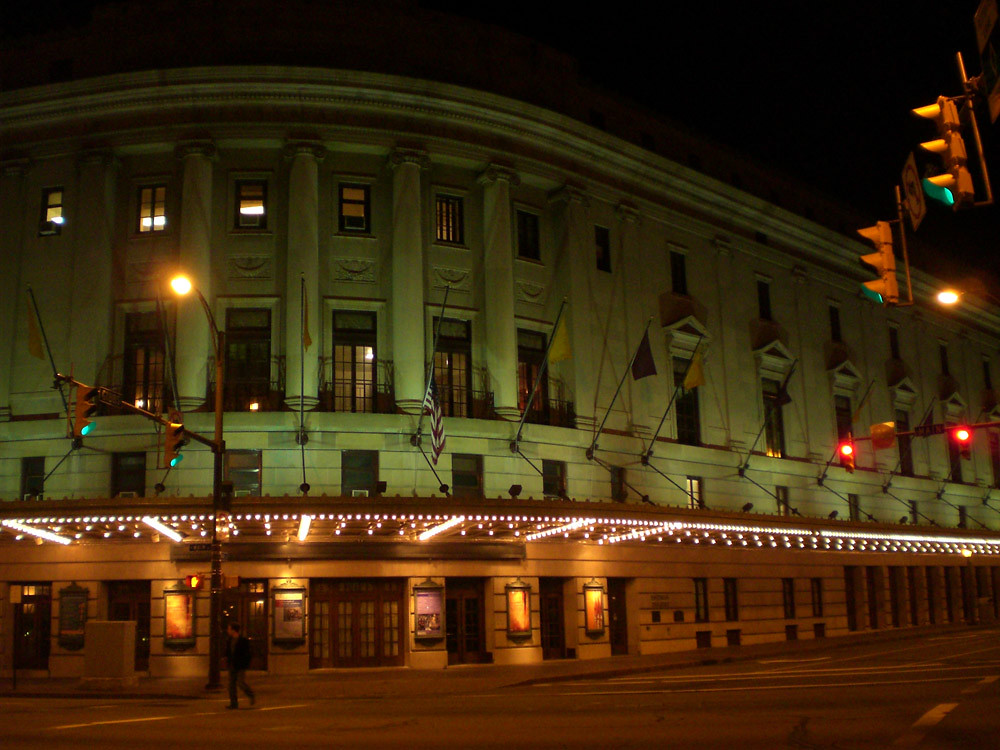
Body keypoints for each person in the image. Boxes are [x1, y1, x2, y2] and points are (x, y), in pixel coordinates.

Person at [225, 622, 255, 709]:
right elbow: (228, 652)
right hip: (232, 664)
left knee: (240, 682)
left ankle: (251, 695)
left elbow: (248, 653)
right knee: (231, 685)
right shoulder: (229, 640)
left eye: (229, 629)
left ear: (233, 630)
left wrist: (245, 663)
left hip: (240, 665)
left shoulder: (243, 640)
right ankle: (233, 703)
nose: (228, 631)